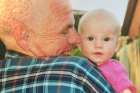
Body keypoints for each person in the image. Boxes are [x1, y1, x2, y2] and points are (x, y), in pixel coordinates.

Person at [0, 0, 115, 93]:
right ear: (24, 36)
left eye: (73, 27)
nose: (77, 39)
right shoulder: (74, 72)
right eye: (65, 31)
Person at [78, 9, 136, 93]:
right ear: (80, 43)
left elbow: (125, 89)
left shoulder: (114, 69)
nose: (98, 45)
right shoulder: (78, 65)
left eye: (106, 39)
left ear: (116, 45)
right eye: (91, 38)